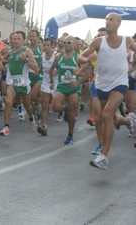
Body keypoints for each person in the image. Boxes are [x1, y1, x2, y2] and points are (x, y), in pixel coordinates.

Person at [78, 12, 136, 169]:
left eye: (111, 20)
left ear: (118, 24)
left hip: (120, 84)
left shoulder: (127, 40)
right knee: (110, 119)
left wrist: (131, 67)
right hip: (102, 84)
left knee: (106, 115)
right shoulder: (98, 41)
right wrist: (87, 59)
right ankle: (130, 121)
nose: (108, 21)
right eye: (106, 19)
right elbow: (80, 58)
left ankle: (103, 157)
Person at [0, 31, 39, 136]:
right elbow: (2, 60)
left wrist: (25, 60)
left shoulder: (27, 51)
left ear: (23, 41)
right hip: (12, 82)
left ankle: (31, 118)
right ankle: (6, 127)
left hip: (23, 84)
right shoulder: (10, 52)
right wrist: (7, 65)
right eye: (14, 39)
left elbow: (36, 68)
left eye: (18, 39)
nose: (15, 41)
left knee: (28, 106)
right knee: (8, 102)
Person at [50, 35, 88, 145]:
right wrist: (52, 81)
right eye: (64, 42)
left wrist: (77, 81)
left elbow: (86, 74)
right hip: (62, 86)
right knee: (55, 107)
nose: (66, 44)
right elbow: (52, 68)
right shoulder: (58, 56)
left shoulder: (77, 57)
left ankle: (70, 135)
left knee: (72, 113)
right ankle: (65, 108)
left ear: (74, 44)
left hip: (73, 88)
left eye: (69, 42)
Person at [37, 37, 58, 135]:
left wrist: (54, 73)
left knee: (56, 106)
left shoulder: (57, 56)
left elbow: (61, 69)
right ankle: (44, 126)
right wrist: (37, 71)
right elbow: (42, 68)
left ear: (52, 46)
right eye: (44, 45)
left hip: (56, 83)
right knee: (44, 104)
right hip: (46, 82)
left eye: (47, 45)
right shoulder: (42, 56)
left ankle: (65, 109)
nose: (45, 47)